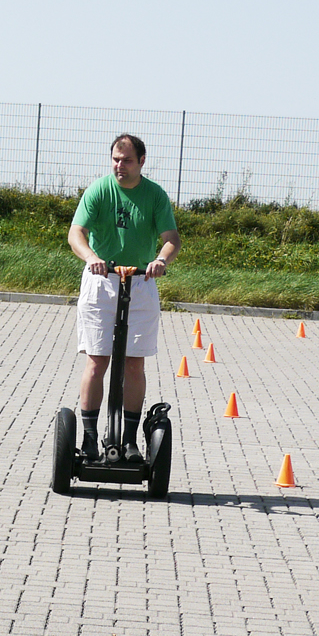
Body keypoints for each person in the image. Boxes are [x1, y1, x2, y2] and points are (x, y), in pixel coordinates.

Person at [66, 134, 181, 463]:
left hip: (141, 280)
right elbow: (77, 232)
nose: (119, 165)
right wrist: (90, 257)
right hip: (102, 280)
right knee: (97, 360)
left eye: (127, 160)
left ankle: (128, 441)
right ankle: (89, 439)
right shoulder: (99, 190)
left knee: (134, 364)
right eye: (116, 159)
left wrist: (160, 260)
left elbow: (171, 238)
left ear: (141, 161)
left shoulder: (155, 195)